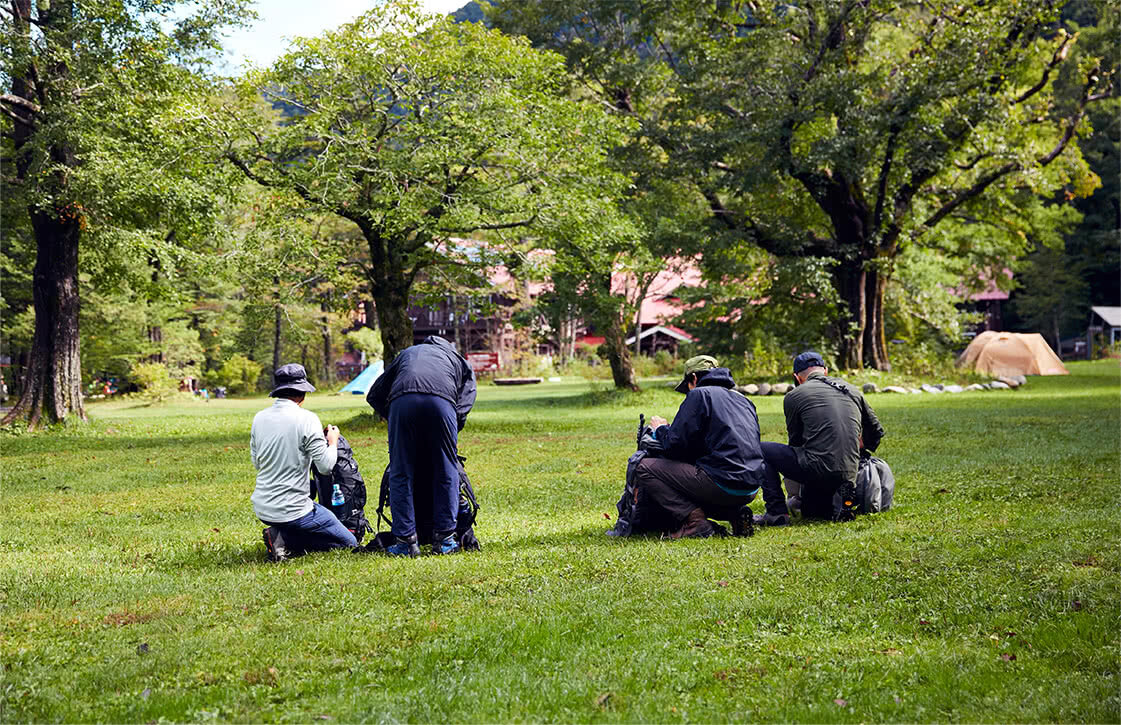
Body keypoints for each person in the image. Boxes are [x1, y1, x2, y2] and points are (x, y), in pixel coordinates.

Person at [367, 336, 477, 557]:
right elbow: (466, 399)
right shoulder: (458, 359)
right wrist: (451, 430)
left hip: (402, 402)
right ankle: (445, 540)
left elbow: (375, 394)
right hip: (442, 403)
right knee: (447, 469)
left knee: (401, 472)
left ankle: (405, 541)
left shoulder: (406, 354)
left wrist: (395, 422)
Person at [636, 355, 766, 539]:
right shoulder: (743, 399)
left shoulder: (699, 394)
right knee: (692, 480)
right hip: (750, 487)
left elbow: (674, 445)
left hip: (722, 482)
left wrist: (661, 429)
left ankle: (695, 522)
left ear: (694, 378)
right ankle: (735, 515)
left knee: (645, 468)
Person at [756, 351, 885, 525]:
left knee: (761, 449)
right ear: (825, 370)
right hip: (850, 469)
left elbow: (796, 442)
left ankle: (776, 513)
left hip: (816, 467)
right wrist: (861, 446)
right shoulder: (852, 390)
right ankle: (841, 493)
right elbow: (876, 431)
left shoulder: (795, 396)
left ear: (797, 377)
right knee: (814, 512)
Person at [251, 363, 356, 561]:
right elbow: (325, 467)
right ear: (302, 394)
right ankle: (284, 538)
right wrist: (332, 442)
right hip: (294, 509)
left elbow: (257, 463)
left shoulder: (259, 418)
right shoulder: (307, 419)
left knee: (315, 505)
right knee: (348, 542)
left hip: (263, 507)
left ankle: (281, 533)